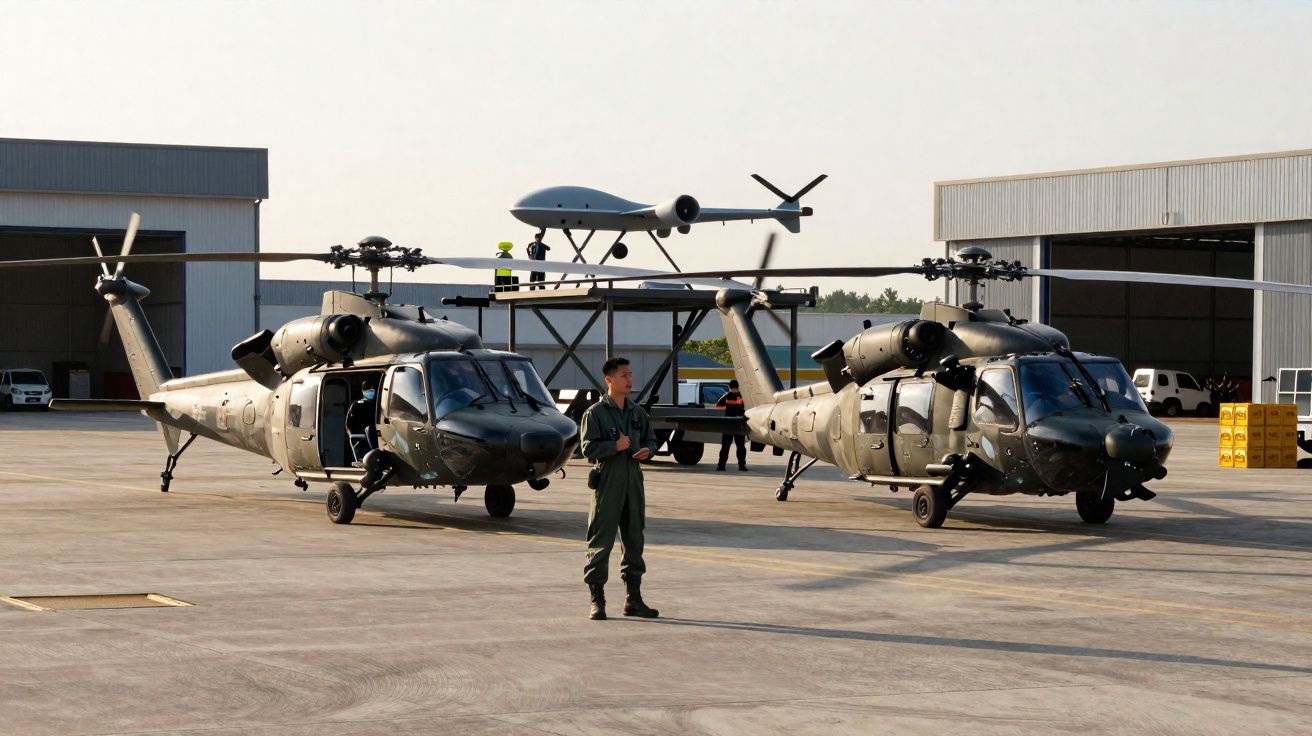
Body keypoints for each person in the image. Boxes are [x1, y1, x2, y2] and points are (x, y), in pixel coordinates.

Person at [579, 357, 660, 621]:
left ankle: (633, 599)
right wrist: (614, 447)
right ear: (609, 380)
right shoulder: (596, 413)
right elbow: (587, 448)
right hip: (609, 480)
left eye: (630, 374)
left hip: (634, 480)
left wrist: (649, 450)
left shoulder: (637, 412)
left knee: (634, 539)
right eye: (624, 375)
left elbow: (650, 437)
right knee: (601, 540)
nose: (629, 379)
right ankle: (597, 599)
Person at [715, 379, 748, 471]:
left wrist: (727, 410)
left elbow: (718, 406)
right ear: (738, 386)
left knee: (725, 446)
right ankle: (742, 466)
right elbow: (747, 407)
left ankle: (721, 465)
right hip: (739, 424)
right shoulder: (743, 396)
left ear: (730, 387)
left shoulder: (726, 396)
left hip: (728, 424)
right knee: (741, 446)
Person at [345, 378, 378, 463]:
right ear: (363, 391)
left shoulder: (377, 405)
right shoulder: (356, 405)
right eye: (367, 390)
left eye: (371, 390)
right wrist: (354, 436)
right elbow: (348, 424)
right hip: (361, 440)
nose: (370, 392)